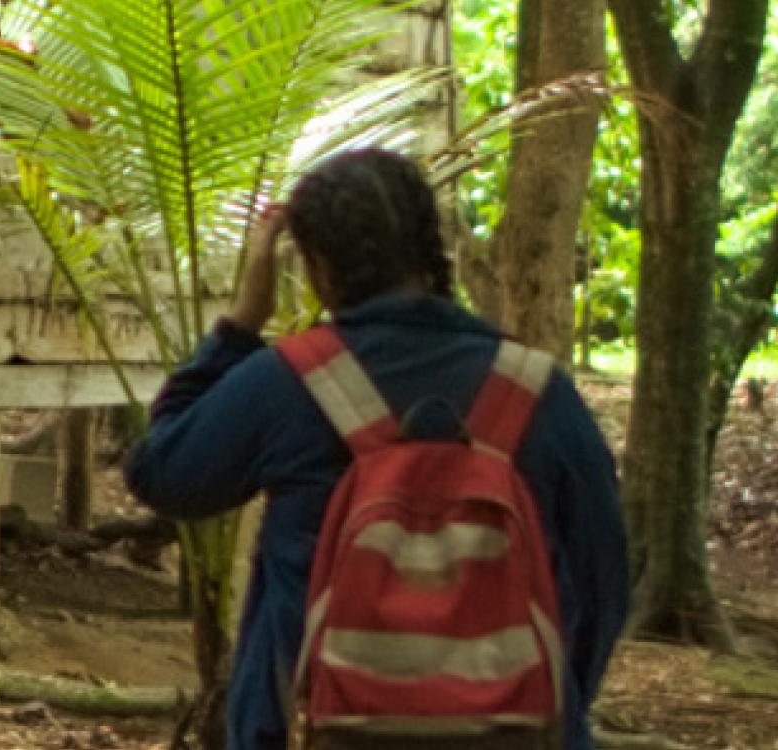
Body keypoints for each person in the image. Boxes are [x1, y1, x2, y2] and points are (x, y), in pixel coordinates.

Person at [120, 150, 630, 750]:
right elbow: (604, 582)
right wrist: (552, 707)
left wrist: (239, 327)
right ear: (428, 248)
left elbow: (163, 472)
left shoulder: (288, 383)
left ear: (317, 268)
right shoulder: (537, 393)